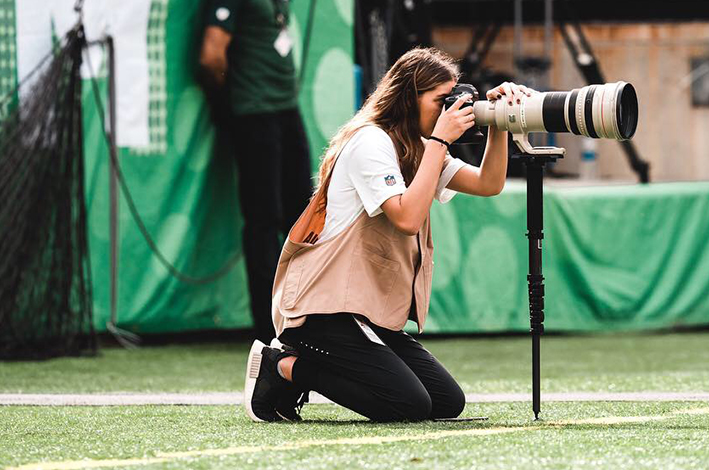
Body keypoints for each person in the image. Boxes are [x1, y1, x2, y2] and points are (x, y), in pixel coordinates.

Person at [243, 47, 535, 422]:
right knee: (408, 404)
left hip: (363, 313)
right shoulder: (371, 141)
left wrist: (498, 123)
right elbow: (407, 218)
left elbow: (488, 183)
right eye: (441, 101)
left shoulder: (419, 145)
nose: (449, 111)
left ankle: (303, 363)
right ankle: (281, 365)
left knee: (446, 401)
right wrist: (441, 141)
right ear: (408, 97)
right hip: (321, 310)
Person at [199, 0, 312, 344]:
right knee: (264, 220)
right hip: (253, 112)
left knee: (303, 216)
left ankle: (307, 319)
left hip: (286, 108)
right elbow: (211, 55)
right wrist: (228, 103)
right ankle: (268, 328)